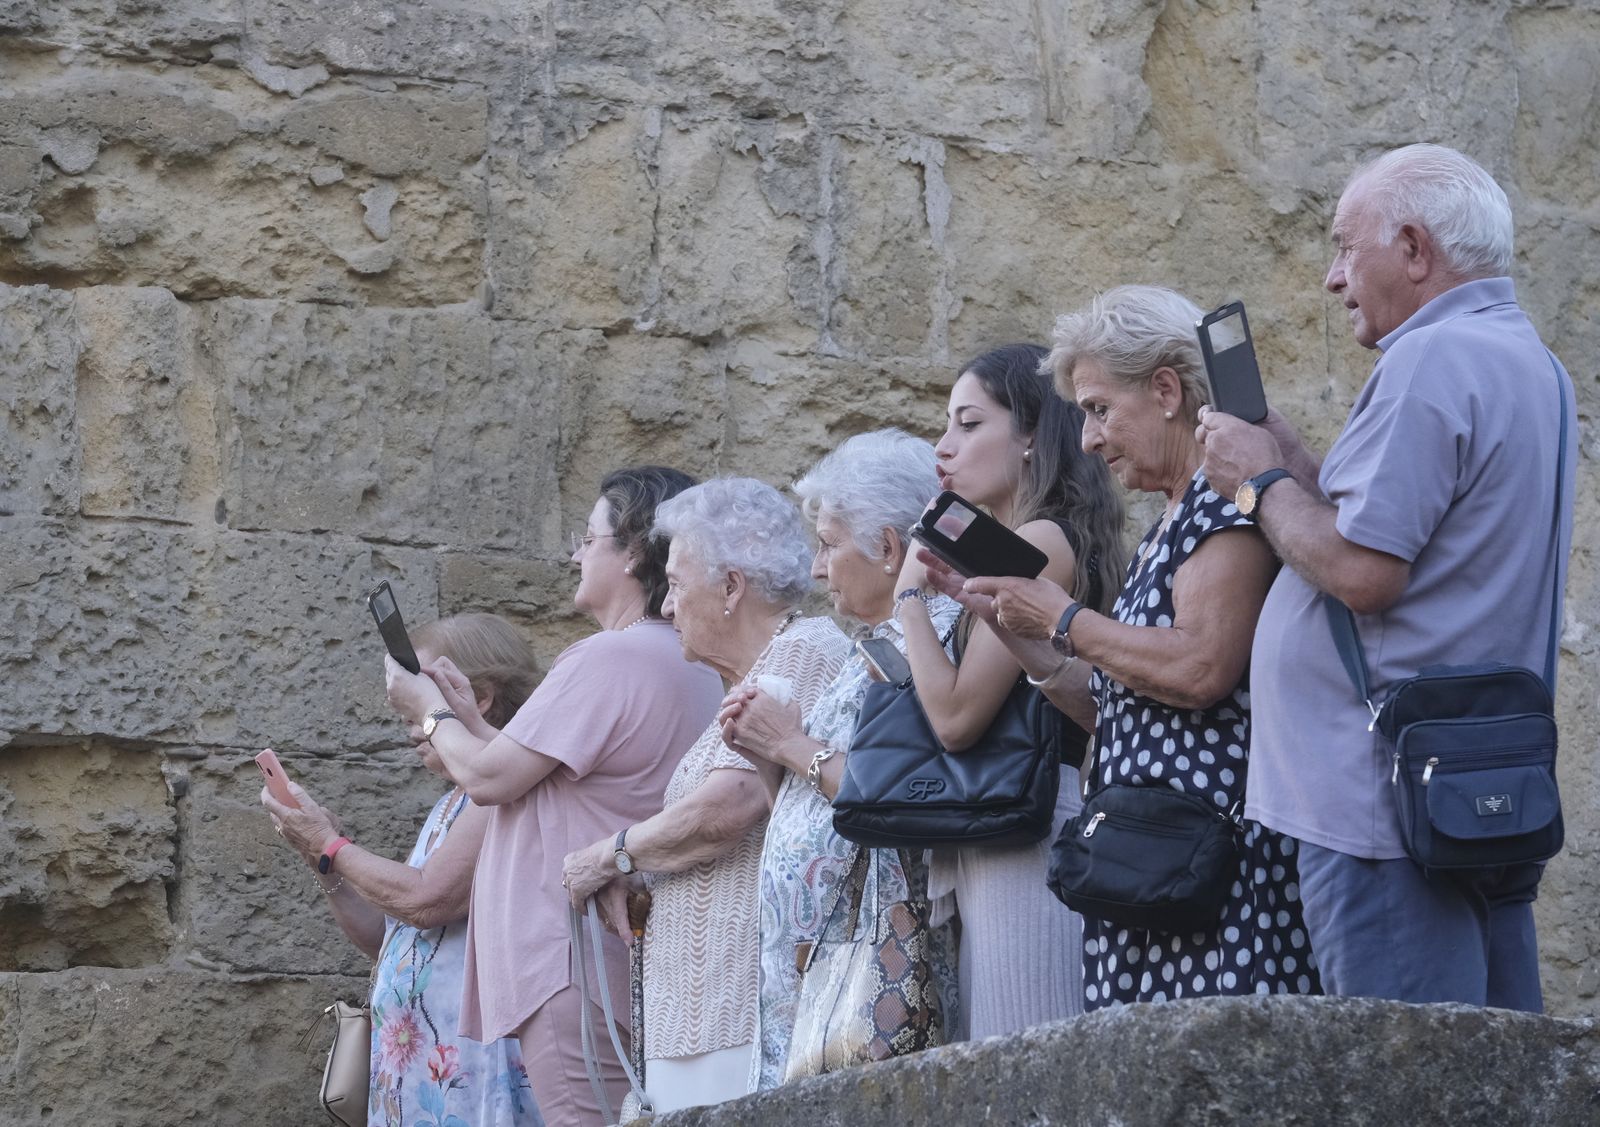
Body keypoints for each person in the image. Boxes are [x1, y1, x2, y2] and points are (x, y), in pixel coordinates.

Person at [1197, 144, 1577, 1010]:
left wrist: (1254, 484)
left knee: (1409, 1065)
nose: (1333, 277)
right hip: (1470, 780)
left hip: (1383, 804)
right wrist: (1289, 459)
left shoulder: (1430, 358)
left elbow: (1364, 572)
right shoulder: (1532, 362)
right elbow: (1406, 538)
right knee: (1496, 1065)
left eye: (1344, 246)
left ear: (1412, 249)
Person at [928, 291, 1321, 1007]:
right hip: (1155, 873)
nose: (1087, 439)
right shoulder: (1172, 517)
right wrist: (1020, 631)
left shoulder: (1222, 503)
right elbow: (1122, 707)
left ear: (1166, 391)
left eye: (1099, 409)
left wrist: (1065, 617)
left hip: (1214, 876)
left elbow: (1199, 668)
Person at [381, 467, 724, 1127]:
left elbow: (487, 780)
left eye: (588, 539)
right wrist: (467, 720)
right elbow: (551, 774)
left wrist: (428, 709)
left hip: (573, 961)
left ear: (633, 551)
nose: (575, 555)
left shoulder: (608, 658)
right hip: (621, 961)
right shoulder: (683, 661)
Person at [560, 478, 850, 1112]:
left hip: (737, 1006)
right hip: (701, 1013)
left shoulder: (802, 651)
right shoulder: (754, 673)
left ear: (731, 588)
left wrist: (608, 856)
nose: (667, 608)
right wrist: (638, 867)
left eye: (676, 585)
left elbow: (730, 806)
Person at [716, 429, 959, 1088]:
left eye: (828, 545)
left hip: (871, 968)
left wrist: (788, 742)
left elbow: (893, 796)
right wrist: (768, 754)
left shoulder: (931, 640)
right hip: (822, 967)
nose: (818, 570)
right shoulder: (872, 646)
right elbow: (823, 808)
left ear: (888, 549)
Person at [896, 344, 1126, 1035]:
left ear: (1031, 436)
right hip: (1007, 827)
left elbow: (957, 715)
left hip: (1028, 832)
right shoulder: (1036, 537)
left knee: (1022, 1053)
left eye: (969, 424)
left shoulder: (1041, 541)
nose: (944, 446)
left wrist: (908, 597)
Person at [260, 613, 543, 1127]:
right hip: (423, 1074)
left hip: (473, 1071)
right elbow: (390, 937)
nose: (409, 724)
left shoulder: (505, 791)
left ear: (479, 696)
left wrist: (330, 845)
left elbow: (426, 899)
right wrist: (323, 861)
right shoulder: (450, 803)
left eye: (418, 701)